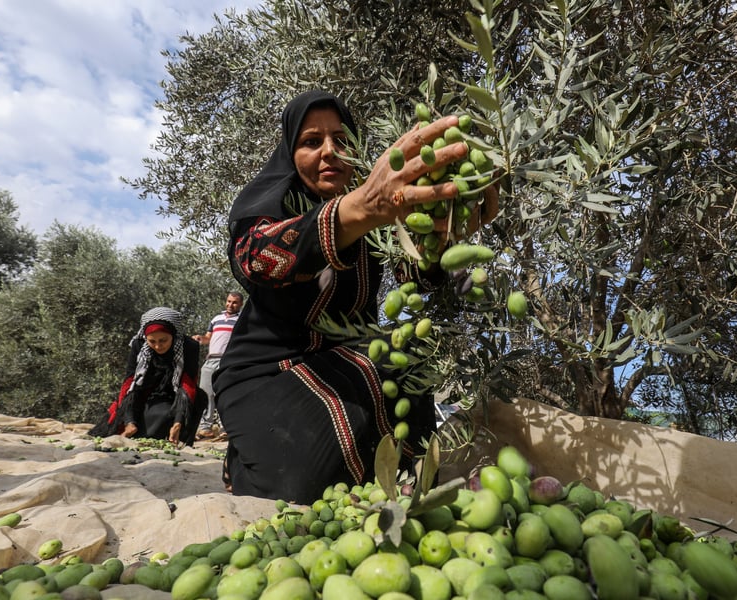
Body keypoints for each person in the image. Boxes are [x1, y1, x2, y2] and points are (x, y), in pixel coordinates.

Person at [214, 90, 497, 503]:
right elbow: (254, 259)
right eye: (312, 142)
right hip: (266, 375)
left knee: (411, 354)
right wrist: (360, 208)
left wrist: (444, 239)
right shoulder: (278, 202)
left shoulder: (381, 220)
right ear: (290, 153)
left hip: (343, 364)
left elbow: (417, 278)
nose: (329, 152)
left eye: (341, 140)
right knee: (299, 491)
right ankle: (244, 455)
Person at [89, 307, 203, 446]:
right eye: (152, 341)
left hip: (176, 395)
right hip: (146, 394)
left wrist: (178, 422)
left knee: (200, 397)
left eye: (163, 340)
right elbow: (131, 383)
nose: (158, 346)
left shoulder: (190, 346)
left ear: (173, 335)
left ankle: (180, 436)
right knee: (154, 417)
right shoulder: (139, 345)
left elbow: (187, 384)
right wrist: (129, 421)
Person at [192, 291, 244, 440]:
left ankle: (225, 428)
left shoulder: (241, 321)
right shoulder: (216, 319)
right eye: (228, 301)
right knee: (205, 393)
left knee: (225, 394)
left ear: (240, 304)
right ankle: (205, 428)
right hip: (210, 360)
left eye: (234, 302)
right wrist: (199, 338)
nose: (230, 305)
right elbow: (208, 337)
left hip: (228, 361)